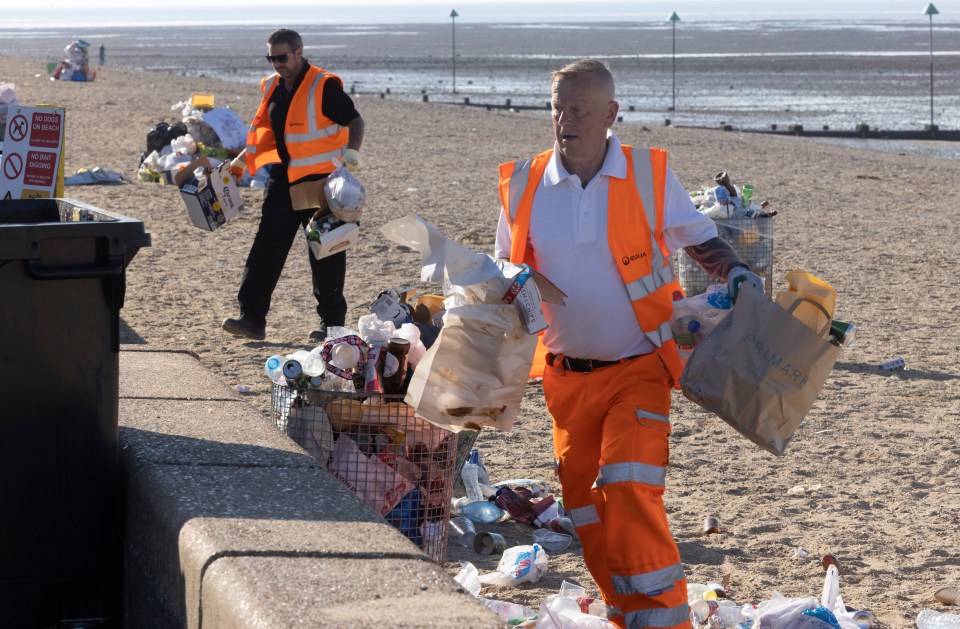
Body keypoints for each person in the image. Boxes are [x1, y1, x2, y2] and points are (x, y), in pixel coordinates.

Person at [494, 59, 763, 629]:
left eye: (579, 109)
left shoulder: (646, 175)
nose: (564, 119)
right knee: (585, 509)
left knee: (629, 488)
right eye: (557, 107)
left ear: (611, 114)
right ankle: (625, 613)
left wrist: (734, 271)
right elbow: (506, 271)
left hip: (639, 365)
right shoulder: (523, 184)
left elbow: (699, 237)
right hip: (565, 377)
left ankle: (667, 621)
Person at [222, 28, 364, 341]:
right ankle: (252, 318)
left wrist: (352, 153)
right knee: (266, 247)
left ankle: (331, 326)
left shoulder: (323, 85)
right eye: (270, 57)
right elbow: (271, 132)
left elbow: (355, 120)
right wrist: (243, 161)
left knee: (325, 251)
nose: (276, 63)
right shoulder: (272, 85)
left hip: (321, 182)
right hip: (283, 179)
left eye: (282, 57)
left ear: (298, 52)